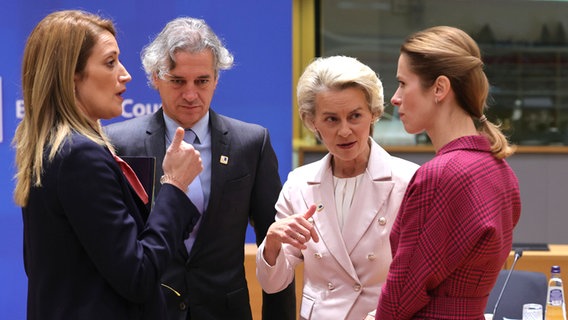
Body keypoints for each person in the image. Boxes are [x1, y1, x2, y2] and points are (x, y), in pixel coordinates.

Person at [13, 10, 203, 320]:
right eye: (110, 62)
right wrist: (175, 184)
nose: (125, 75)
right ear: (71, 75)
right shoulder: (79, 158)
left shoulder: (53, 151)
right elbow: (138, 275)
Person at [104, 17, 296, 320]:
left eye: (202, 81)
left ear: (216, 78)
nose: (191, 94)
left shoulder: (251, 143)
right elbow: (115, 253)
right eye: (178, 81)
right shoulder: (119, 144)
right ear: (155, 77)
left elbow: (274, 243)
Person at [373, 26, 522, 319]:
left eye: (403, 83)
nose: (395, 97)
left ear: (440, 88)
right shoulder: (500, 170)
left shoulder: (440, 176)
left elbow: (402, 294)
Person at [255, 55, 419, 320]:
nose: (345, 131)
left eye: (355, 116)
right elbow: (273, 283)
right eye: (331, 119)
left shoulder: (409, 180)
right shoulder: (298, 184)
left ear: (374, 113)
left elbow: (421, 278)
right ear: (311, 122)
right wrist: (272, 241)